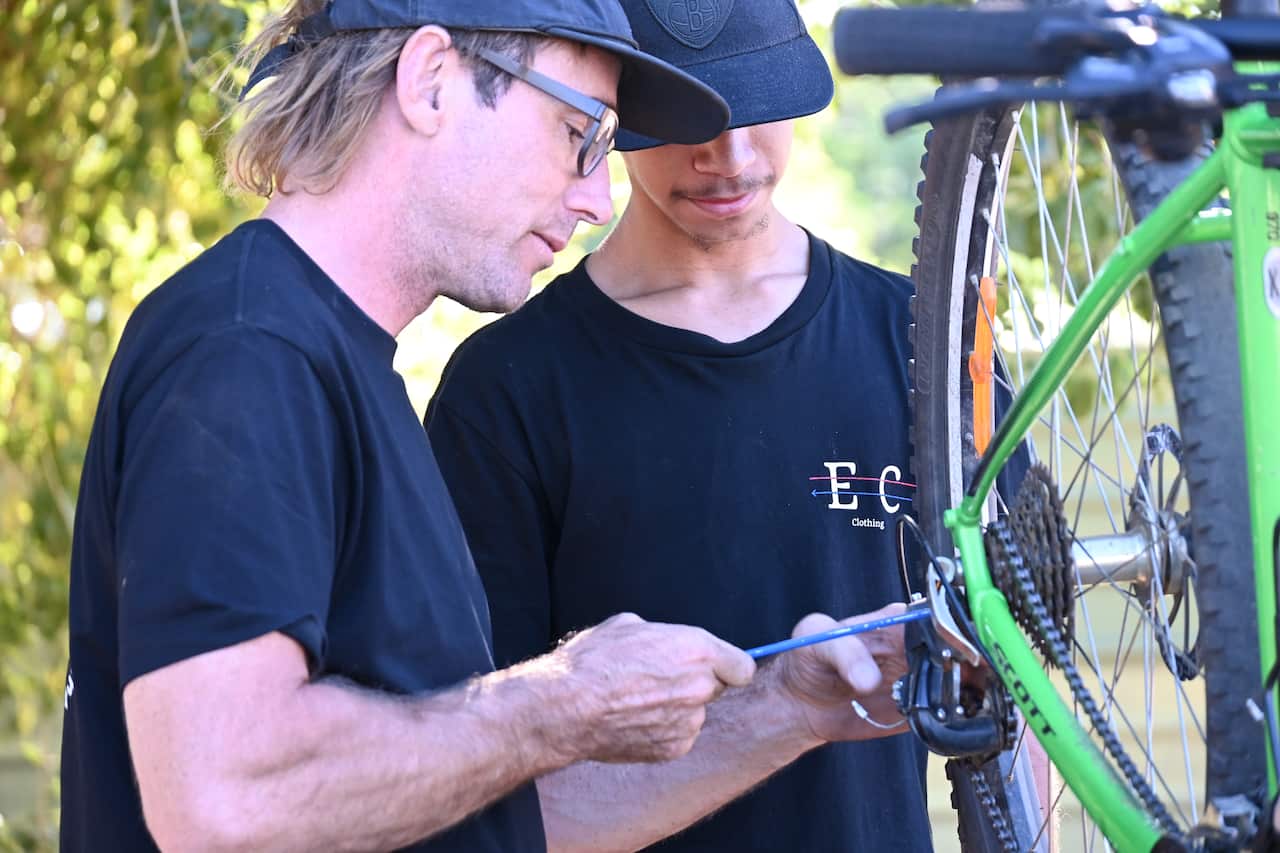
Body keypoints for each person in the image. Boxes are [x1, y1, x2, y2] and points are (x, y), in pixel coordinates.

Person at [59, 0, 911, 851]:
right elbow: (225, 800)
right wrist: (557, 702)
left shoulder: (341, 369)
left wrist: (788, 706)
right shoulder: (249, 354)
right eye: (580, 132)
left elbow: (485, 813)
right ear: (431, 81)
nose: (595, 195)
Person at [425, 0, 934, 850]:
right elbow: (477, 802)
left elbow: (1019, 676)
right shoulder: (504, 390)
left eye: (760, 104)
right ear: (614, 106)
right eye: (690, 115)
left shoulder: (923, 341)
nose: (728, 156)